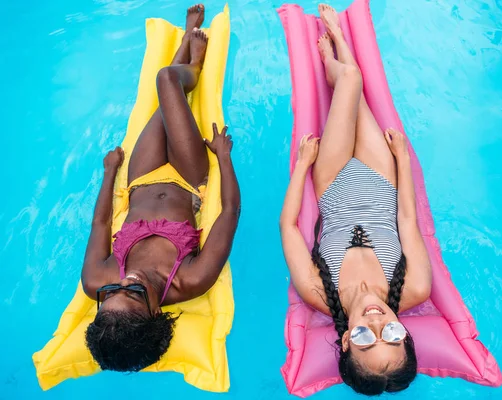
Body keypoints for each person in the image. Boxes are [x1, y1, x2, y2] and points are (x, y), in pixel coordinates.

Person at [279, 4, 432, 395]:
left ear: (346, 341)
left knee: (349, 79)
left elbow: (289, 228)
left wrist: (302, 167)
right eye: (392, 336)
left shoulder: (319, 295)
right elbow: (408, 221)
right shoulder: (415, 289)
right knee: (355, 86)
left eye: (366, 339)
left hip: (330, 180)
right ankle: (341, 37)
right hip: (382, 179)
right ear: (405, 334)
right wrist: (402, 161)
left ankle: (332, 51)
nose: (378, 324)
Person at [81, 4, 241, 372]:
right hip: (188, 175)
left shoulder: (95, 280)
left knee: (163, 102)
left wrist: (110, 173)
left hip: (142, 177)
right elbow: (230, 211)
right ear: (157, 313)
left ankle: (186, 45)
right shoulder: (191, 279)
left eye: (112, 292)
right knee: (167, 82)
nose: (128, 280)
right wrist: (223, 157)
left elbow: (101, 225)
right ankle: (193, 66)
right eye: (135, 293)